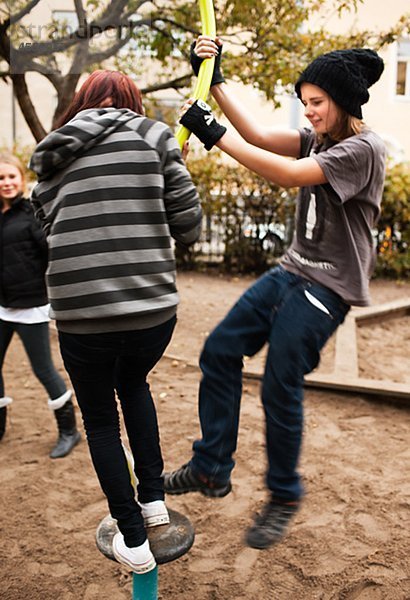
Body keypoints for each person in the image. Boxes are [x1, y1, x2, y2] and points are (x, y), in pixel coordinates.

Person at [164, 40, 387, 550]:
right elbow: (260, 135)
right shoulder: (317, 137)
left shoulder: (362, 149)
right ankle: (211, 468)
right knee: (219, 352)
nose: (308, 111)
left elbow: (286, 176)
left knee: (278, 381)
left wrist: (211, 134)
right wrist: (214, 79)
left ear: (345, 101)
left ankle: (284, 494)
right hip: (292, 270)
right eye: (304, 101)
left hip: (330, 286)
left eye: (317, 102)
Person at [29, 70, 202, 574]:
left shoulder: (50, 155)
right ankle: (152, 504)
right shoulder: (155, 136)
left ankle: (134, 540)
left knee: (101, 420)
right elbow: (188, 228)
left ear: (80, 103)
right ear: (132, 101)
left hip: (82, 316)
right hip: (150, 312)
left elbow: (46, 231)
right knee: (135, 386)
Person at [0, 152, 80, 458]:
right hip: (2, 306)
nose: (6, 183)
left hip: (31, 306)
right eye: (1, 178)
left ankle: (69, 431)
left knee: (43, 369)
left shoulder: (33, 212)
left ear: (21, 179)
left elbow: (52, 254)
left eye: (11, 176)